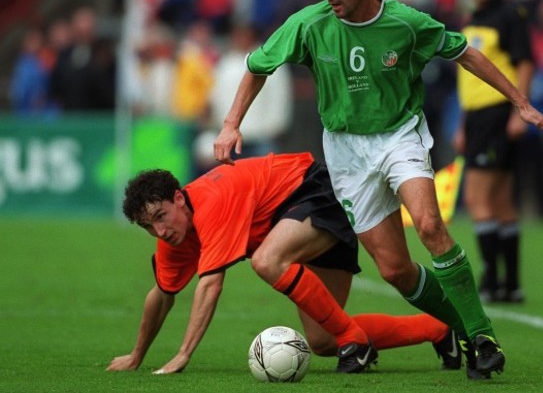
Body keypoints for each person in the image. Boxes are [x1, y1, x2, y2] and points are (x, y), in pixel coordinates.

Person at [213, 0, 543, 379]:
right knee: (395, 270)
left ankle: (483, 335)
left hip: (399, 135)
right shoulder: (308, 24)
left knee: (431, 226)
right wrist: (231, 123)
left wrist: (520, 103)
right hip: (346, 151)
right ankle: (458, 330)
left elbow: (465, 53)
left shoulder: (406, 22)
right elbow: (258, 66)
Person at [107, 152, 466, 375]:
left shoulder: (211, 202)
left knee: (267, 260)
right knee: (324, 340)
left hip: (313, 190)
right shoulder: (172, 236)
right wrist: (137, 355)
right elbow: (162, 294)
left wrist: (183, 354)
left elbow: (211, 283)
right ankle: (436, 329)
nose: (159, 230)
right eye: (148, 226)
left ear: (179, 198)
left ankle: (355, 342)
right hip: (297, 226)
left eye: (160, 216)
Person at [453, 0, 535, 304]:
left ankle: (490, 280)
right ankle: (510, 285)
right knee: (500, 201)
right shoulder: (473, 18)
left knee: (477, 198)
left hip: (497, 113)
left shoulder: (508, 15)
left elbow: (525, 63)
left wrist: (521, 110)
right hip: (477, 117)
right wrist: (462, 123)